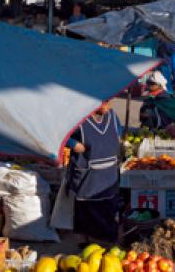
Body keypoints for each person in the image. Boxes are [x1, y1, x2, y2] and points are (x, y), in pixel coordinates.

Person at [66, 102, 123, 243]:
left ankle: (107, 242)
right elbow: (60, 136)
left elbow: (119, 133)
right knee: (86, 211)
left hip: (109, 174)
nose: (107, 106)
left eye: (109, 103)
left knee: (108, 209)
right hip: (87, 175)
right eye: (104, 102)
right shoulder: (77, 118)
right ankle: (86, 242)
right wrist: (74, 144)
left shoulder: (112, 116)